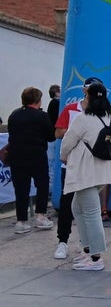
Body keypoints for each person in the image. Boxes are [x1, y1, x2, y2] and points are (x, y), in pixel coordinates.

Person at [60, 82, 111, 270]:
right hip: (105, 171)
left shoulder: (83, 118)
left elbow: (67, 142)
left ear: (88, 97)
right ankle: (87, 249)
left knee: (92, 213)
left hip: (86, 172)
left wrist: (64, 157)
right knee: (77, 207)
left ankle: (95, 257)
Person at [53, 76, 102, 260]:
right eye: (89, 88)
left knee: (89, 208)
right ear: (84, 90)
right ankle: (62, 242)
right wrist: (76, 130)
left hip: (92, 167)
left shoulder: (102, 112)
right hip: (72, 166)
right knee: (67, 205)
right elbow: (57, 132)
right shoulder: (71, 109)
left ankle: (88, 246)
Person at [7, 86, 55, 234]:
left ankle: (21, 221)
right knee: (42, 185)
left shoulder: (14, 115)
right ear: (38, 101)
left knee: (21, 189)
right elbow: (51, 136)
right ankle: (40, 216)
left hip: (16, 157)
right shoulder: (42, 116)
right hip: (36, 155)